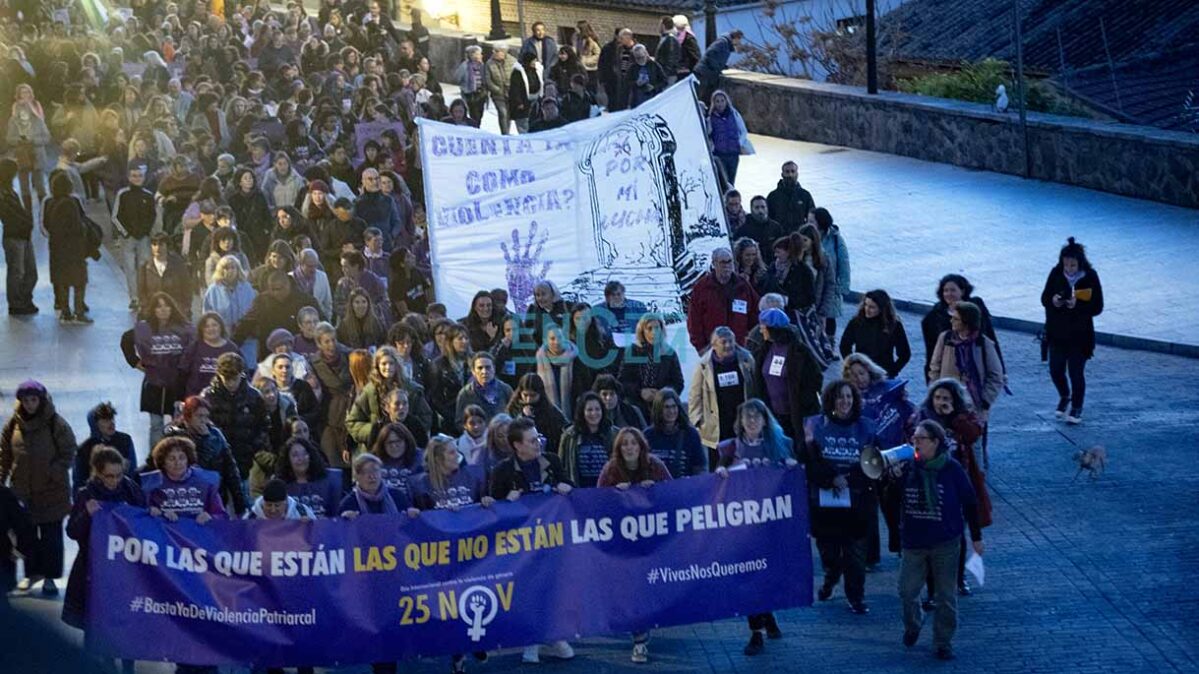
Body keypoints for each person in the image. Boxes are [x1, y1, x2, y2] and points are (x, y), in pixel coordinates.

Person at [489, 417, 575, 663]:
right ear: (517, 446)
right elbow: (491, 507)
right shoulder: (503, 471)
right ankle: (531, 639)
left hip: (552, 539)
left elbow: (569, 484)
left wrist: (566, 486)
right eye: (531, 440)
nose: (537, 443)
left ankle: (555, 635)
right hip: (521, 543)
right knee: (528, 590)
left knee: (552, 589)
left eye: (538, 438)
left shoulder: (552, 461)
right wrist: (506, 500)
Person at [897, 420, 985, 661]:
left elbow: (969, 502)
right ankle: (914, 624)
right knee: (906, 591)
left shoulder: (952, 469)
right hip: (914, 542)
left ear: (935, 442)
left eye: (920, 439)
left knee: (946, 595)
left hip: (945, 542)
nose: (915, 443)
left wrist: (976, 537)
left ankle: (942, 641)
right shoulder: (907, 468)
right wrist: (891, 479)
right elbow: (893, 500)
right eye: (913, 438)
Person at [714, 399, 795, 654]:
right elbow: (717, 476)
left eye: (756, 416)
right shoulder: (731, 448)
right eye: (746, 417)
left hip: (771, 525)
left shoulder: (781, 446)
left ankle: (768, 615)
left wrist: (791, 470)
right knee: (750, 576)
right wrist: (720, 472)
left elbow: (791, 479)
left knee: (767, 575)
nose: (751, 421)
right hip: (744, 526)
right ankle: (756, 632)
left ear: (764, 419)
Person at [903, 378, 991, 601]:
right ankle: (932, 590)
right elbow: (909, 435)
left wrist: (955, 418)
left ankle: (959, 579)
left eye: (946, 398)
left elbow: (974, 434)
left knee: (956, 533)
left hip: (954, 476)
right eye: (938, 397)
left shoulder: (962, 417)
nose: (941, 402)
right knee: (932, 537)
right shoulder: (922, 418)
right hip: (927, 479)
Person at [61, 445, 145, 674]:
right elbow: (72, 531)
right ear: (97, 473)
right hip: (94, 571)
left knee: (126, 621)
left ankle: (128, 666)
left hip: (125, 572)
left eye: (118, 475)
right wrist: (86, 514)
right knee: (97, 623)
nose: (114, 481)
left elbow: (146, 524)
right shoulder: (85, 494)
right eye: (109, 476)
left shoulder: (130, 490)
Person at [802, 379, 879, 615]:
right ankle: (831, 577)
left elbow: (874, 464)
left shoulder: (867, 427)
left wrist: (851, 479)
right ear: (830, 400)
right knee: (830, 554)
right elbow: (809, 462)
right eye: (839, 397)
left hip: (857, 503)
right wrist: (830, 478)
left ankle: (856, 597)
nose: (845, 401)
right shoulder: (815, 426)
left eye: (848, 396)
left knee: (855, 555)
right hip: (826, 505)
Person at [597, 426, 671, 663]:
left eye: (633, 443)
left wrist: (657, 491)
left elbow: (675, 494)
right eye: (624, 444)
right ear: (619, 449)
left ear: (641, 447)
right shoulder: (610, 470)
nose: (629, 447)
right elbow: (596, 503)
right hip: (623, 544)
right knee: (631, 589)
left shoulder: (655, 466)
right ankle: (639, 641)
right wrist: (612, 494)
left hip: (653, 541)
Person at [0, 380, 76, 597]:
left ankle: (50, 576)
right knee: (27, 534)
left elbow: (69, 450)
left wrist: (54, 471)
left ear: (41, 400)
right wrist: (2, 478)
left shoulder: (55, 423)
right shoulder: (13, 425)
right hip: (23, 491)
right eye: (26, 400)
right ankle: (32, 573)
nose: (30, 404)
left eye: (34, 400)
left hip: (52, 490)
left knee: (51, 536)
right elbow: (5, 453)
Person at [1040, 237, 1103, 424]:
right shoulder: (1056, 273)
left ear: (1080, 263)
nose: (1069, 269)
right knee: (1055, 370)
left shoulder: (1090, 276)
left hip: (1079, 335)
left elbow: (1097, 306)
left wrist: (1079, 304)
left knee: (1076, 372)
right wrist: (1054, 301)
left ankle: (1077, 407)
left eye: (1073, 265)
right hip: (1057, 333)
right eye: (1066, 264)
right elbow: (1044, 298)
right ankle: (1064, 395)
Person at [120, 293, 193, 448]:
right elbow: (126, 340)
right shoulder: (144, 328)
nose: (163, 309)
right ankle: (155, 458)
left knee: (179, 424)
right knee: (156, 425)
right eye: (158, 306)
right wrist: (135, 362)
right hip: (154, 384)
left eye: (166, 305)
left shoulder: (185, 328)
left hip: (177, 385)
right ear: (153, 310)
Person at [163, 397, 248, 517]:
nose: (203, 421)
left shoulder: (215, 435)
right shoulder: (176, 436)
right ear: (188, 417)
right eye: (199, 416)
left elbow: (230, 469)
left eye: (206, 416)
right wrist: (204, 441)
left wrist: (240, 503)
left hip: (214, 496)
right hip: (184, 499)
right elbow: (196, 464)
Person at [928, 301, 1004, 429]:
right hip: (947, 401)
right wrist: (937, 391)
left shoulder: (983, 344)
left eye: (956, 318)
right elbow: (935, 366)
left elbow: (996, 376)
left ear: (967, 322)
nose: (951, 320)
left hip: (973, 405)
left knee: (973, 442)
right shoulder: (946, 339)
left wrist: (985, 401)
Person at [689, 326, 757, 465]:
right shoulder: (703, 365)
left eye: (731, 341)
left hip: (742, 420)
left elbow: (756, 386)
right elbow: (695, 395)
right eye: (723, 342)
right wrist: (698, 421)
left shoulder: (746, 358)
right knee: (719, 464)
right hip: (716, 423)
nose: (728, 345)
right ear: (714, 345)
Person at [201, 352, 272, 485]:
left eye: (234, 378)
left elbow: (264, 424)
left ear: (241, 374)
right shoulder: (208, 397)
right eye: (226, 378)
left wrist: (254, 447)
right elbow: (201, 425)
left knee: (242, 497)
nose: (231, 383)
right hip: (216, 458)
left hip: (244, 457)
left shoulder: (253, 397)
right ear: (219, 375)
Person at [752, 308, 823, 439]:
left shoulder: (799, 351)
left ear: (771, 329)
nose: (760, 330)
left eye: (763, 327)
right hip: (771, 415)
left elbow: (816, 378)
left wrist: (803, 401)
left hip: (795, 415)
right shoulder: (764, 349)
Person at [920, 274, 1003, 381]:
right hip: (950, 371)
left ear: (962, 291)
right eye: (945, 290)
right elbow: (931, 352)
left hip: (977, 366)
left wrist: (1001, 371)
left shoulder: (977, 309)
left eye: (953, 290)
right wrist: (932, 381)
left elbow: (991, 337)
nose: (949, 294)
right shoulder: (933, 318)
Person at [687, 247, 760, 352]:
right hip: (712, 349)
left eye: (729, 261)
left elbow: (755, 313)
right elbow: (694, 320)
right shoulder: (702, 288)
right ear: (714, 264)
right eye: (722, 262)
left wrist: (751, 341)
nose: (726, 266)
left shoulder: (743, 286)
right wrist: (701, 347)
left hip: (740, 348)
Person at [234, 271, 319, 360]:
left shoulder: (305, 300)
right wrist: (232, 345)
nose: (275, 293)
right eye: (272, 289)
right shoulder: (262, 301)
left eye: (279, 289)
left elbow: (322, 323)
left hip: (298, 352)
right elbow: (246, 324)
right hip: (269, 354)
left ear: (288, 285)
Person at [43, 172, 93, 323]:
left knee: (62, 281)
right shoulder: (70, 202)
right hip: (73, 248)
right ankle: (79, 312)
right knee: (79, 281)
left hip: (56, 248)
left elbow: (46, 224)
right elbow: (77, 226)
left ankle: (65, 311)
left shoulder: (49, 202)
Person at [147, 435, 228, 522]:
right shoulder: (151, 483)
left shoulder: (206, 481)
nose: (177, 463)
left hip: (198, 533)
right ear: (163, 462)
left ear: (188, 459)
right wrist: (157, 513)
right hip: (165, 533)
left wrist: (211, 517)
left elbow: (222, 515)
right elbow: (141, 514)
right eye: (171, 458)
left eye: (182, 458)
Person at [619, 314, 685, 420]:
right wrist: (640, 392)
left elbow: (678, 383)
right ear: (642, 331)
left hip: (663, 408)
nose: (654, 332)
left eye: (657, 328)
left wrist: (662, 394)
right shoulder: (632, 351)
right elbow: (622, 382)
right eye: (649, 328)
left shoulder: (668, 353)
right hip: (635, 407)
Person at [310, 321, 355, 471]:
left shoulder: (350, 355)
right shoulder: (313, 362)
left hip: (350, 410)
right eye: (326, 341)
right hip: (329, 415)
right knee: (333, 460)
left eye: (333, 340)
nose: (331, 345)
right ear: (319, 344)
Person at [840, 289, 911, 379]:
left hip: (883, 373)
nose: (867, 309)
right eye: (865, 305)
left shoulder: (894, 326)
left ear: (882, 309)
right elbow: (844, 345)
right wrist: (852, 366)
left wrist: (892, 372)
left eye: (872, 307)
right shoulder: (856, 322)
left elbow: (905, 354)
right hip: (860, 373)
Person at [0, 158, 37, 315]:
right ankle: (16, 303)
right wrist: (25, 220)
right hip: (14, 236)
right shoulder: (3, 193)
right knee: (17, 271)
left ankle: (25, 299)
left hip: (23, 234)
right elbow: (9, 214)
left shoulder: (10, 191)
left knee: (30, 272)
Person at [643, 388, 708, 478]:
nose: (671, 411)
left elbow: (700, 467)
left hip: (683, 488)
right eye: (666, 407)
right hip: (656, 488)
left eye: (674, 406)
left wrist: (693, 481)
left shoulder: (691, 434)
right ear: (659, 409)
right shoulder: (648, 435)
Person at [558, 392, 617, 488]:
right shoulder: (569, 436)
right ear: (582, 412)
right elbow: (561, 465)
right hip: (579, 490)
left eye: (597, 409)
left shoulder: (613, 434)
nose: (594, 413)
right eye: (589, 410)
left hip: (608, 489)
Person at [276, 436, 343, 519]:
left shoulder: (329, 480)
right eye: (295, 455)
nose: (301, 458)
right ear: (287, 459)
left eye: (305, 454)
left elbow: (338, 512)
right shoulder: (280, 485)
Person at [73, 402, 138, 489]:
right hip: (95, 496)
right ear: (95, 424)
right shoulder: (84, 449)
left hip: (123, 493)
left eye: (112, 418)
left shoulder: (125, 440)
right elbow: (79, 483)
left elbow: (133, 473)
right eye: (105, 420)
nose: (111, 423)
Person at [809, 207, 851, 340]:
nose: (808, 223)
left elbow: (844, 263)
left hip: (830, 285)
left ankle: (829, 344)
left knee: (830, 316)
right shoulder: (806, 237)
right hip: (812, 285)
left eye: (811, 221)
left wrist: (842, 288)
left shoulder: (836, 239)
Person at [506, 374, 570, 456]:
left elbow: (565, 428)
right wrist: (522, 416)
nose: (528, 399)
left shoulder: (550, 411)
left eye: (533, 395)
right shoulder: (513, 408)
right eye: (525, 395)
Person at [139, 233, 193, 315]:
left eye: (161, 245)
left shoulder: (178, 265)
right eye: (154, 244)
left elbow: (187, 289)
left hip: (176, 312)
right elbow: (141, 292)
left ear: (167, 246)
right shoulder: (145, 267)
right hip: (153, 314)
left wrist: (184, 309)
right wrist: (147, 310)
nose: (157, 248)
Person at [454, 352, 514, 426]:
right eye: (480, 368)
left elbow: (515, 416)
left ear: (494, 369)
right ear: (473, 371)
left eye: (488, 367)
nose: (484, 371)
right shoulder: (466, 393)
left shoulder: (505, 389)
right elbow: (459, 421)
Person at [370, 422, 424, 502]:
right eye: (390, 442)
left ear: (406, 442)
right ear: (382, 444)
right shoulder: (372, 460)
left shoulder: (420, 458)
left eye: (398, 441)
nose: (394, 446)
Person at [707, 90, 753, 185]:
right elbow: (708, 134)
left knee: (731, 180)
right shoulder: (711, 118)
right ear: (714, 103)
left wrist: (739, 143)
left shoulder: (734, 114)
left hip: (733, 153)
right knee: (723, 180)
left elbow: (742, 130)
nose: (720, 104)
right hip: (720, 154)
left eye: (722, 100)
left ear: (726, 101)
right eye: (717, 101)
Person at [203, 254, 258, 333]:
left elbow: (253, 311)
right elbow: (206, 315)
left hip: (245, 334)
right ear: (220, 270)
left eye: (233, 267)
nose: (230, 271)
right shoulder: (213, 290)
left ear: (238, 269)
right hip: (221, 335)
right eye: (226, 268)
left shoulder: (247, 288)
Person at [694, 30, 743, 104]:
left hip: (709, 73)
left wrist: (723, 66)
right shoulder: (722, 42)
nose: (739, 42)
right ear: (736, 38)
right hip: (704, 72)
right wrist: (717, 67)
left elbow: (718, 58)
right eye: (739, 40)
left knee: (705, 97)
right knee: (700, 96)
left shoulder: (726, 44)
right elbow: (710, 54)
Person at [766, 161, 815, 233]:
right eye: (787, 172)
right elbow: (767, 219)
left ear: (797, 174)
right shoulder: (773, 196)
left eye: (793, 171)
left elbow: (813, 217)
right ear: (782, 174)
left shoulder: (805, 195)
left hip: (800, 236)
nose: (790, 175)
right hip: (779, 236)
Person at [485, 46, 517, 135]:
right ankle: (504, 133)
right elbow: (488, 80)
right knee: (502, 112)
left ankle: (507, 131)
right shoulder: (489, 63)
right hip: (497, 94)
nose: (494, 52)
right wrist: (497, 89)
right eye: (494, 51)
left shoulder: (513, 61)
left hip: (510, 93)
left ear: (504, 52)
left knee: (509, 114)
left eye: (497, 51)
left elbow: (517, 76)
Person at [509, 51, 543, 134]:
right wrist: (519, 102)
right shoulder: (517, 72)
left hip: (535, 100)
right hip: (523, 103)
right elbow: (515, 89)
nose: (535, 62)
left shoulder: (537, 70)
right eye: (533, 60)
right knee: (523, 124)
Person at [625, 44, 667, 109]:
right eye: (638, 58)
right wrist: (636, 83)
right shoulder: (632, 68)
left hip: (653, 97)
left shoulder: (654, 65)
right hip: (637, 99)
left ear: (646, 54)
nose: (640, 60)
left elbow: (664, 81)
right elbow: (626, 82)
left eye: (642, 57)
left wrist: (654, 87)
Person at [455, 46, 489, 125]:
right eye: (478, 54)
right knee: (474, 115)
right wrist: (464, 86)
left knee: (480, 114)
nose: (481, 56)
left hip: (481, 94)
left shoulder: (482, 65)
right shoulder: (465, 66)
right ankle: (475, 129)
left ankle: (477, 127)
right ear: (472, 55)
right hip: (470, 94)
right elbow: (457, 78)